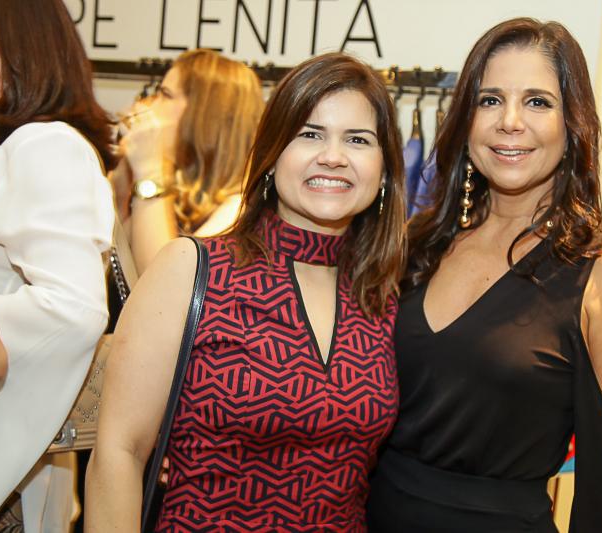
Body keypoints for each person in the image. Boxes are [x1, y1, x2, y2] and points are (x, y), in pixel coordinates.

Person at [86, 52, 406, 531]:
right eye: (310, 134)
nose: (333, 156)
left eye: (357, 139)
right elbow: (120, 452)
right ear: (272, 153)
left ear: (384, 170)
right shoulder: (193, 268)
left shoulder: (384, 294)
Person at [366, 17, 602, 532]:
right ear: (466, 119)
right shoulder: (418, 243)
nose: (510, 121)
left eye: (538, 102)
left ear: (573, 124)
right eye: (490, 100)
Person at [0, 0, 117, 531]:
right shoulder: (13, 149)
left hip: (10, 487)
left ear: (19, 49)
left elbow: (73, 309)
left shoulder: (43, 144)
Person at [114, 49, 265, 273]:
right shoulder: (172, 194)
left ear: (206, 117)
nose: (148, 104)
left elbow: (165, 281)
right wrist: (121, 186)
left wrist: (150, 172)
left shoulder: (239, 213)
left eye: (165, 94)